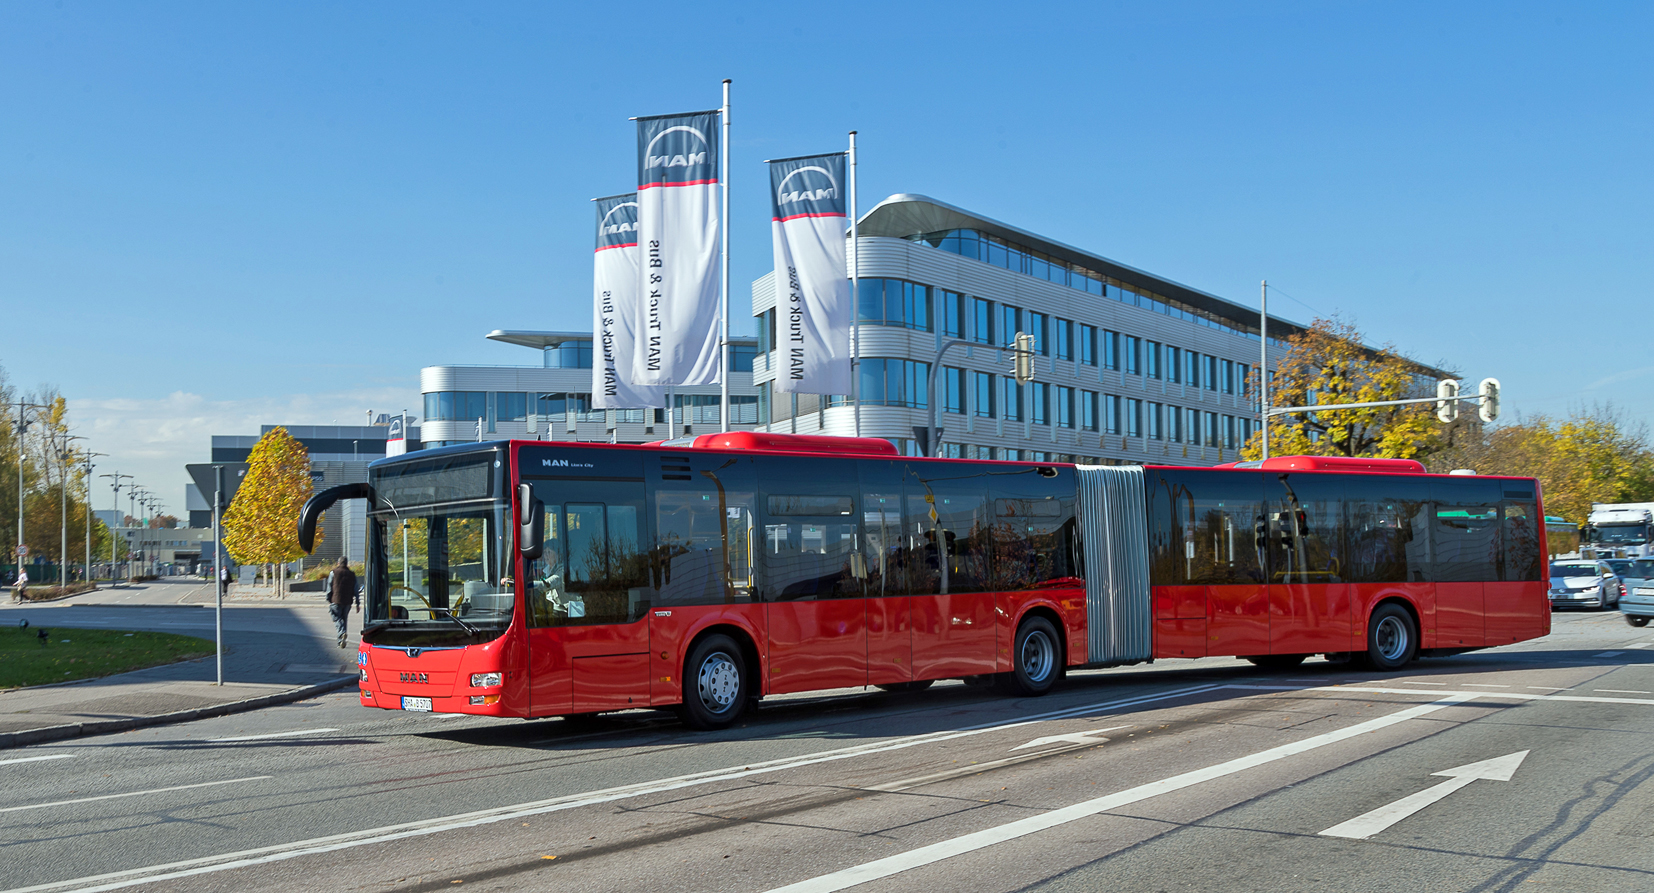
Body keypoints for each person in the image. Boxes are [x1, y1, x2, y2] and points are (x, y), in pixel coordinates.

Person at [327, 557, 359, 648]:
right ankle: (341, 641)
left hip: (336, 600)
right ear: (346, 563)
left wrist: (328, 598)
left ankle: (342, 633)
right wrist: (358, 603)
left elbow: (329, 586)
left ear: (338, 563)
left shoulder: (333, 572)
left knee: (336, 618)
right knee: (344, 620)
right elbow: (355, 589)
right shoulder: (352, 574)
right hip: (348, 601)